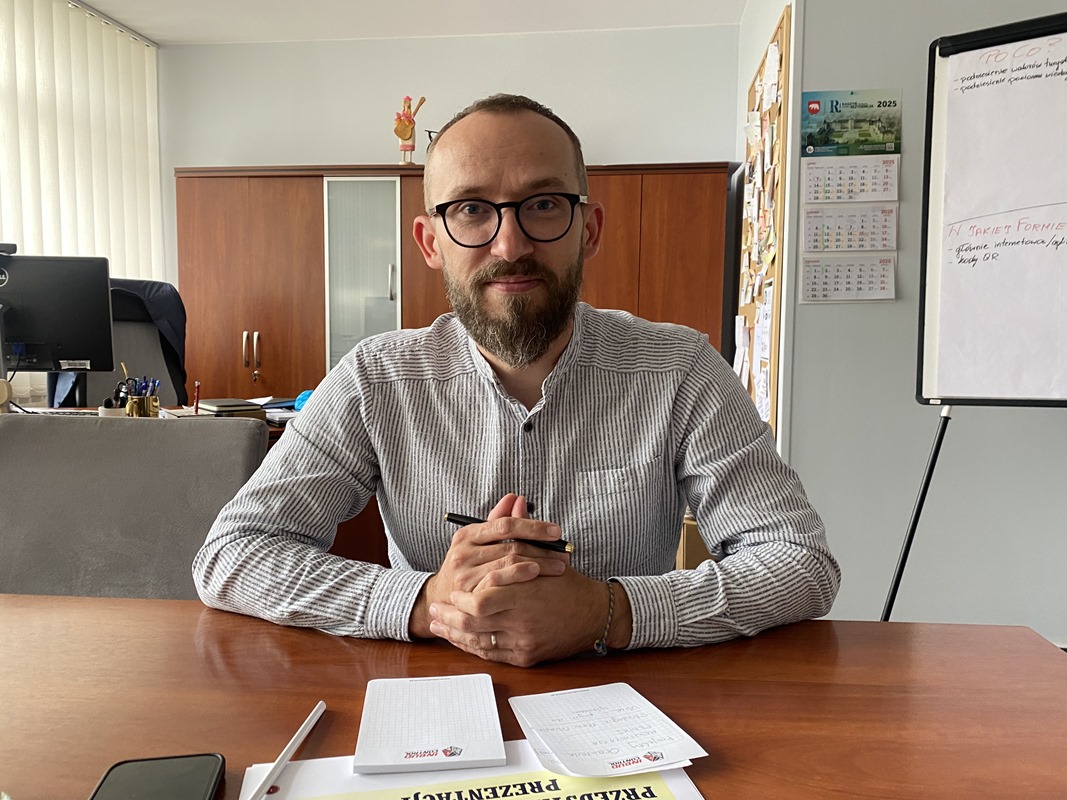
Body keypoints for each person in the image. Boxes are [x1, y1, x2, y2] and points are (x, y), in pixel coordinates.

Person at [193, 94, 840, 668]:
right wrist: (428, 602)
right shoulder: (375, 379)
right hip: (430, 704)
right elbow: (232, 553)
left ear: (589, 230)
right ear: (430, 242)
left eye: (543, 204)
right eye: (472, 209)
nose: (509, 246)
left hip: (627, 704)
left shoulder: (679, 368)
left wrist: (608, 612)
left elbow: (798, 561)